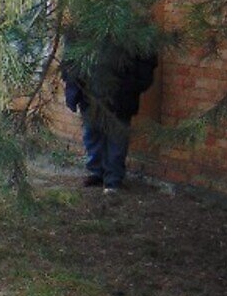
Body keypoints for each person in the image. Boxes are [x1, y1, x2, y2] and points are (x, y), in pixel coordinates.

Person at [63, 43, 157, 193]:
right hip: (90, 94)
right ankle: (96, 172)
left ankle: (113, 179)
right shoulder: (84, 30)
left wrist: (133, 86)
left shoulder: (133, 32)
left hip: (120, 96)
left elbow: (146, 63)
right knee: (92, 135)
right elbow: (70, 60)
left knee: (117, 140)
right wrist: (73, 88)